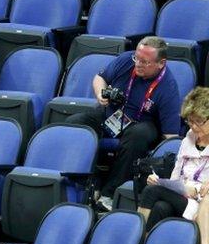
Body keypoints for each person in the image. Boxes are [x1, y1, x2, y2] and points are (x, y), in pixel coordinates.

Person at [66, 36, 181, 211]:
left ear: (161, 63)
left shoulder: (168, 87)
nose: (138, 64)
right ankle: (80, 184)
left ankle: (110, 195)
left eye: (145, 61)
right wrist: (100, 94)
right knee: (76, 123)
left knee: (138, 135)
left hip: (142, 124)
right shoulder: (126, 60)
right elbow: (99, 78)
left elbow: (170, 136)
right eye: (137, 58)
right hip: (112, 114)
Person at [138, 87, 209, 244]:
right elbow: (176, 175)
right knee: (160, 207)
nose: (194, 127)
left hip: (201, 203)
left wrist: (195, 189)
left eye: (199, 121)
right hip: (181, 195)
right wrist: (167, 183)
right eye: (190, 121)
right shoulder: (187, 141)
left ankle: (137, 241)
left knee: (151, 191)